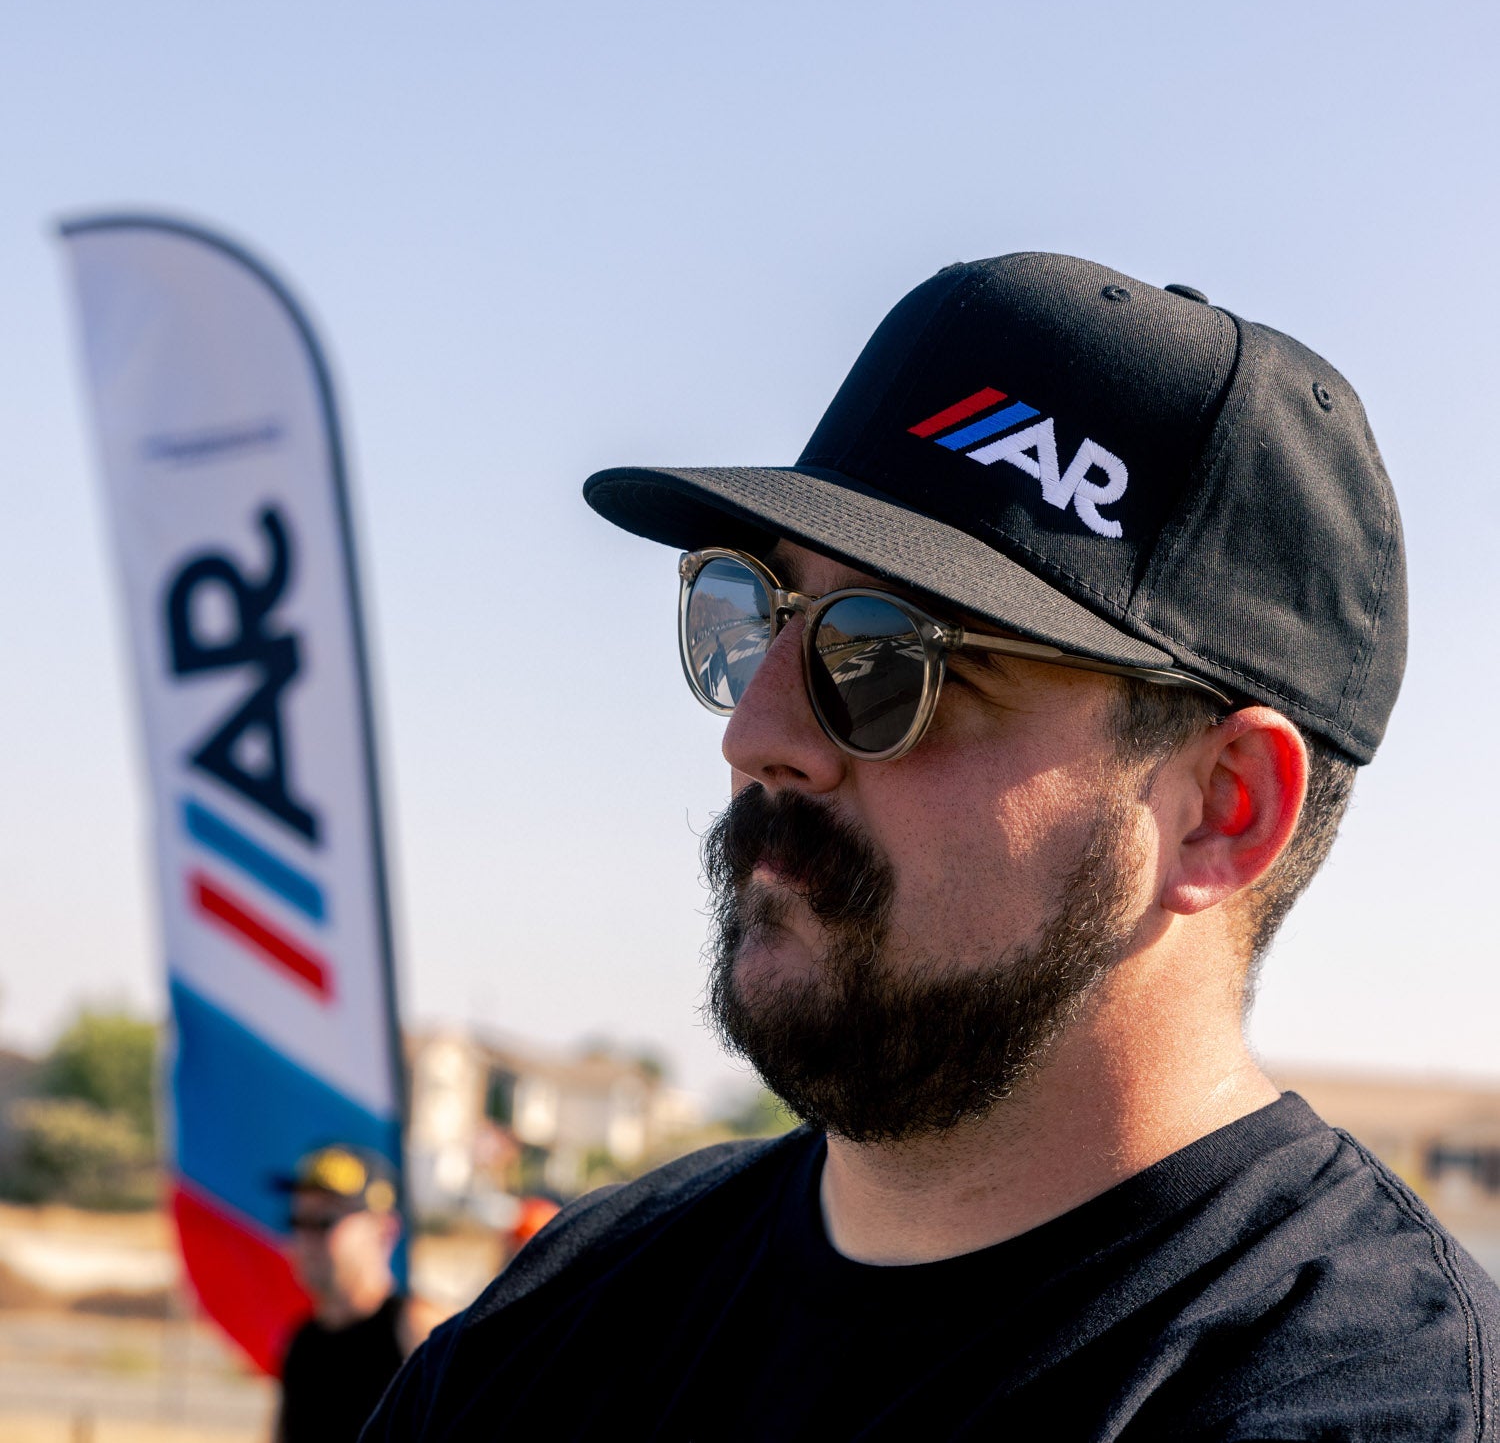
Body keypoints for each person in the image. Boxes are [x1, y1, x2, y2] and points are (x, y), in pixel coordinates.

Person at [365, 255, 1500, 1439]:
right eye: (752, 615)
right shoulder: (561, 1327)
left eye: (887, 657)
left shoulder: (1370, 1402)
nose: (758, 736)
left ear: (1224, 808)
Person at [275, 1144, 437, 1442]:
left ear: (384, 1231)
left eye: (324, 1222)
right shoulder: (302, 1344)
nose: (306, 1239)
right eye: (298, 1221)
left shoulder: (417, 1331)